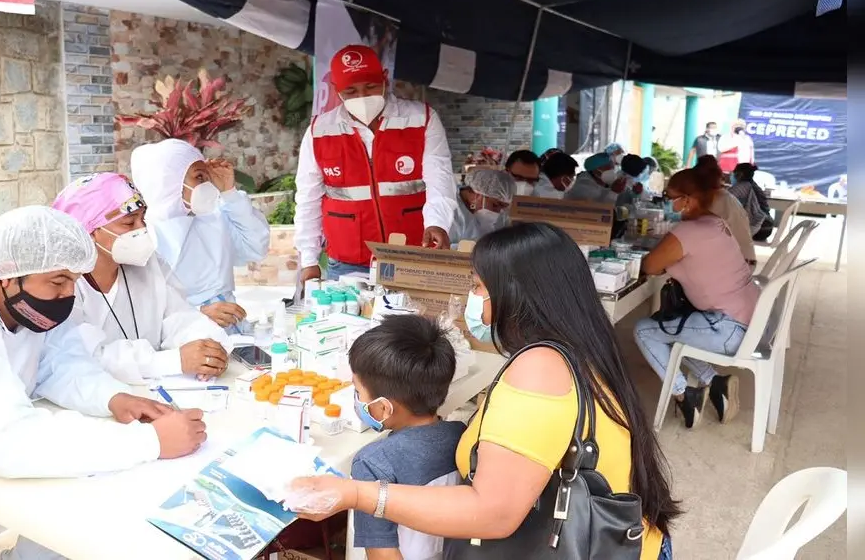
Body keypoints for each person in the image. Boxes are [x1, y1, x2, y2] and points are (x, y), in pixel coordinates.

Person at [288, 223, 680, 560]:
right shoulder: (584, 346)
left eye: (477, 286)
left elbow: (493, 512)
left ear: (513, 293)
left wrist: (358, 495)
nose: (474, 300)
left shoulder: (540, 370)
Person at [0, 206, 208, 560]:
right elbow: (9, 439)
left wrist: (113, 397)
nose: (68, 295)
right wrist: (151, 442)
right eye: (58, 282)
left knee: (73, 498)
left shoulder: (20, 294)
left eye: (73, 281)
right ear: (7, 275)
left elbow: (57, 359)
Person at [50, 172, 232, 384]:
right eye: (129, 223)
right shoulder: (62, 284)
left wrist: (209, 349)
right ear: (88, 231)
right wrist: (172, 361)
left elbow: (179, 317)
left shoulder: (149, 264)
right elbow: (83, 356)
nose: (142, 229)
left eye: (142, 219)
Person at [294, 44, 456, 282]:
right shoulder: (319, 131)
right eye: (351, 91)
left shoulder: (421, 119)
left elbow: (439, 179)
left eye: (370, 87)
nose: (362, 97)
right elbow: (308, 198)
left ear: (385, 79)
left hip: (411, 255)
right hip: (348, 263)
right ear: (336, 90)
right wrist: (309, 260)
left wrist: (438, 223)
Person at [635, 169, 760, 429]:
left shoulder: (687, 232)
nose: (667, 203)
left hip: (727, 329)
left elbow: (650, 266)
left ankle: (684, 395)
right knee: (670, 329)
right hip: (747, 322)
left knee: (646, 331)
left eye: (670, 197)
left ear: (688, 199)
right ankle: (715, 383)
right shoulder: (715, 222)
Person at [348, 315, 466, 560]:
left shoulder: (372, 463)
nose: (357, 399)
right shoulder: (460, 435)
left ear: (384, 407)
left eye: (358, 391)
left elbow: (382, 554)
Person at [130, 138, 270, 333]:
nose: (208, 184)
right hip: (183, 339)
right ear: (170, 182)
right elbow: (144, 312)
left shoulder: (213, 214)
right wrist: (198, 314)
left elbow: (255, 248)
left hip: (231, 329)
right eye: (200, 177)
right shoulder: (146, 236)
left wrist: (229, 193)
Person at [694, 158, 758, 265]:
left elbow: (697, 235)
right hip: (746, 259)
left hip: (738, 264)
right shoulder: (725, 197)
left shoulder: (715, 201)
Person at [449, 168, 515, 245]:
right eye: (495, 205)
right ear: (477, 195)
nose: (498, 212)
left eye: (504, 208)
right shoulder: (448, 211)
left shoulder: (501, 217)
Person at [728, 163, 774, 242]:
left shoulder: (742, 186)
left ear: (740, 174)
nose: (731, 175)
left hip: (759, 229)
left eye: (733, 172)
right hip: (766, 227)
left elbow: (723, 199)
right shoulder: (753, 185)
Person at [564, 152, 628, 204]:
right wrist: (614, 192)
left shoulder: (607, 184)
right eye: (607, 166)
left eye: (612, 166)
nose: (611, 169)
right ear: (595, 169)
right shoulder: (583, 186)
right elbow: (600, 210)